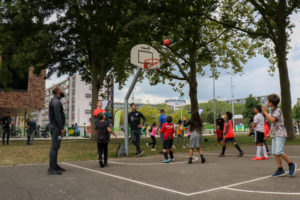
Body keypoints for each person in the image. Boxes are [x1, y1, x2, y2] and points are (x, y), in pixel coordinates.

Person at [262, 94, 297, 177]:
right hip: (275, 134)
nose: (267, 103)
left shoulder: (278, 110)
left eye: (268, 101)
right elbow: (272, 124)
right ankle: (280, 169)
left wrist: (265, 112)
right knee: (275, 152)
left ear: (271, 103)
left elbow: (272, 120)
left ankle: (291, 164)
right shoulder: (272, 111)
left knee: (278, 151)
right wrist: (269, 134)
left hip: (280, 134)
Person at [48, 86, 66, 175]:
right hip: (56, 128)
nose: (63, 91)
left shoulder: (56, 101)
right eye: (62, 90)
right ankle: (51, 168)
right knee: (54, 147)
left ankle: (55, 166)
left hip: (56, 127)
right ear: (58, 91)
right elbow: (58, 116)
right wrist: (61, 128)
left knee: (56, 147)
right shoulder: (56, 102)